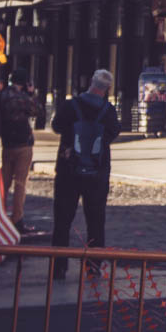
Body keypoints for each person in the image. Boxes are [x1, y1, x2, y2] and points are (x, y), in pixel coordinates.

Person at [50, 69, 122, 278]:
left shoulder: (70, 105)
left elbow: (56, 126)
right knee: (96, 219)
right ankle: (93, 265)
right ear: (107, 89)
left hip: (68, 170)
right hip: (97, 173)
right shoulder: (108, 111)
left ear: (91, 83)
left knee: (62, 219)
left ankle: (59, 267)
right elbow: (113, 132)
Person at [0, 72, 40, 229]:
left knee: (5, 182)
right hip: (23, 144)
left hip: (7, 143)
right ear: (24, 83)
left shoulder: (2, 96)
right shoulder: (23, 98)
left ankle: (0, 215)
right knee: (20, 183)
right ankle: (17, 218)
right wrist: (31, 93)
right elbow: (37, 110)